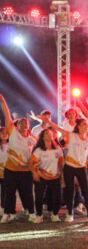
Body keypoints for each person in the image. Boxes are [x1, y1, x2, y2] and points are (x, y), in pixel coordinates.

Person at [43, 116, 88, 223]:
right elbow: (59, 129)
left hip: (81, 168)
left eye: (87, 125)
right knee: (70, 191)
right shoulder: (72, 136)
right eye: (83, 124)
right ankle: (70, 214)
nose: (86, 127)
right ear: (78, 126)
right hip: (69, 167)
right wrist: (49, 122)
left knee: (86, 191)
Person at [0, 93, 37, 223]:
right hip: (10, 169)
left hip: (25, 171)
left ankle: (32, 213)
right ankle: (8, 213)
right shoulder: (13, 133)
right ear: (17, 125)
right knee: (9, 193)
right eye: (21, 123)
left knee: (27, 193)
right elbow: (7, 114)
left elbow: (42, 150)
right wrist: (3, 100)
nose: (23, 125)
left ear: (29, 127)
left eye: (26, 123)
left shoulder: (32, 140)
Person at [28, 128, 64, 223]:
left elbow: (61, 163)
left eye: (51, 133)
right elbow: (31, 162)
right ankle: (39, 215)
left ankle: (55, 214)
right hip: (42, 176)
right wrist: (34, 173)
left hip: (55, 176)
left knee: (58, 196)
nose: (49, 135)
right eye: (46, 133)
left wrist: (62, 176)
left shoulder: (58, 149)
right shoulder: (39, 150)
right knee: (39, 196)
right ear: (42, 137)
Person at [0, 127, 9, 217]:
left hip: (6, 172)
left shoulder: (11, 146)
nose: (4, 134)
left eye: (6, 133)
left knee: (4, 191)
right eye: (2, 132)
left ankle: (3, 208)